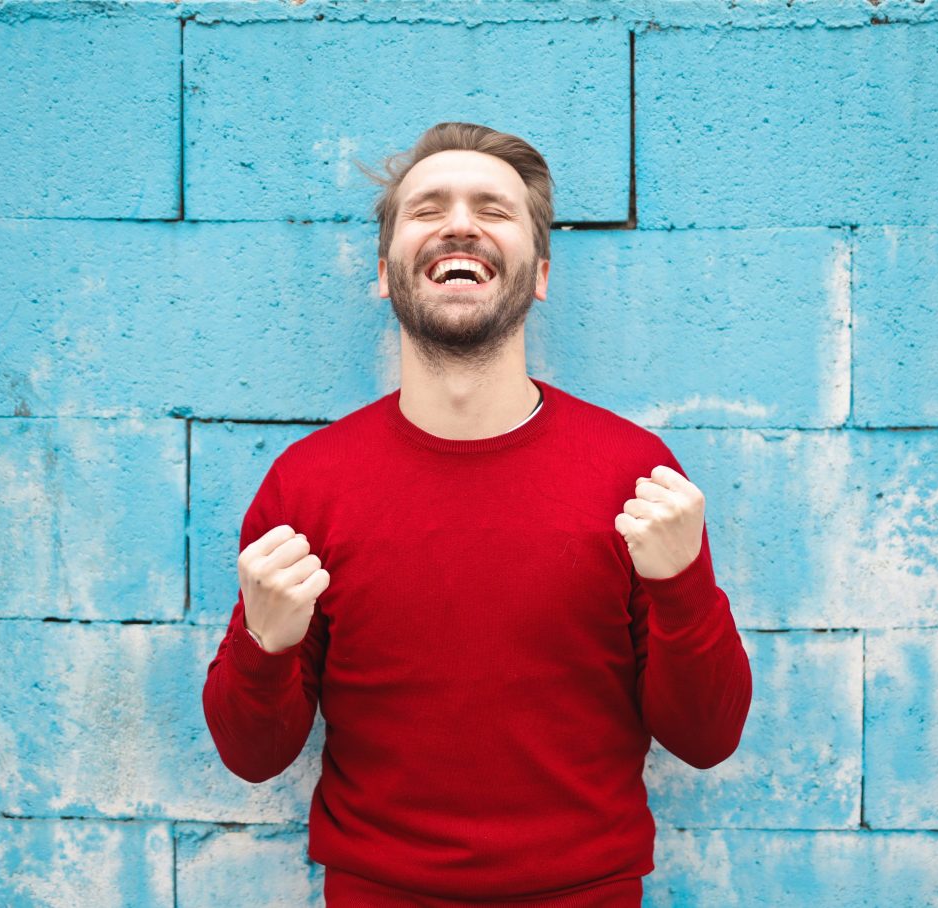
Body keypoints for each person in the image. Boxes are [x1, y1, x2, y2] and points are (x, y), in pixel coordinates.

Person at [202, 122, 753, 906]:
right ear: (388, 275)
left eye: (493, 209)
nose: (460, 222)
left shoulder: (635, 477)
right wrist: (264, 646)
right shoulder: (307, 487)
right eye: (428, 209)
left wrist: (684, 585)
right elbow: (253, 757)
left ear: (540, 275)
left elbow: (707, 739)